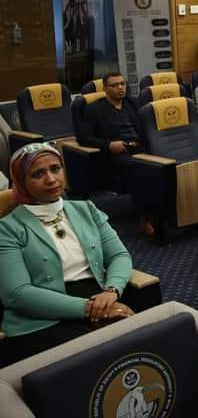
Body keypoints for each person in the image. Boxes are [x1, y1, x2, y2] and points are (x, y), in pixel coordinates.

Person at [0, 144, 134, 367]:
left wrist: (111, 291)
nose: (51, 179)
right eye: (38, 174)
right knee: (95, 362)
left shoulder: (86, 209)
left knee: (137, 346)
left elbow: (119, 255)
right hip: (41, 316)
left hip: (99, 295)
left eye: (55, 169)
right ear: (21, 182)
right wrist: (89, 308)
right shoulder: (7, 228)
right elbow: (17, 294)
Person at [77, 72, 153, 237]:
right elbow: (84, 138)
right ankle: (146, 218)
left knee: (163, 164)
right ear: (105, 88)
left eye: (122, 84)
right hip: (115, 154)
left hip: (139, 147)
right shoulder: (94, 109)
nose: (120, 88)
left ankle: (166, 211)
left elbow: (148, 127)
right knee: (137, 169)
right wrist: (108, 145)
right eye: (114, 85)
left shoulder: (134, 103)